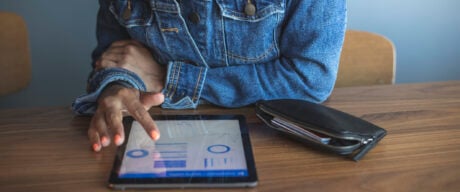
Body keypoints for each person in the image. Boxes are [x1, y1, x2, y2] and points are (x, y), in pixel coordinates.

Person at [73, 0, 347, 152]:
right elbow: (114, 55)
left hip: (273, 144)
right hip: (157, 144)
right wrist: (116, 87)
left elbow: (310, 78)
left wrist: (171, 78)